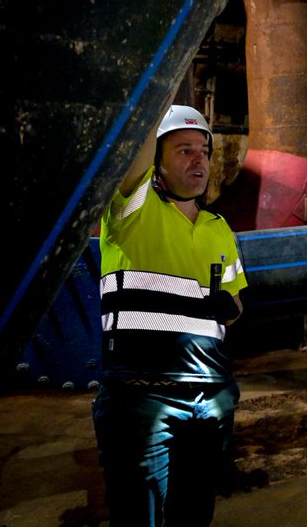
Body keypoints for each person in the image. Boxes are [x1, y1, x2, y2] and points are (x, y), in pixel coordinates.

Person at [93, 104, 248, 526]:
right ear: (157, 161)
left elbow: (235, 308)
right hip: (142, 396)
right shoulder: (132, 210)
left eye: (204, 150)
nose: (199, 160)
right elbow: (133, 158)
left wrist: (228, 307)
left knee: (194, 515)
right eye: (184, 150)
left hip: (210, 396)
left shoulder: (219, 227)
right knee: (137, 515)